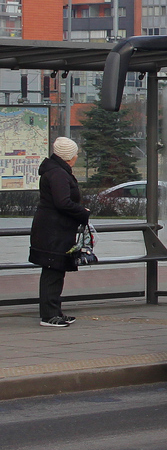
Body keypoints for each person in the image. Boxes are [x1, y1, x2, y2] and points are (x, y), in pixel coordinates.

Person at [29, 138, 90, 328]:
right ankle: (48, 315)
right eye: (75, 153)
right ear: (69, 156)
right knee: (52, 271)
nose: (77, 156)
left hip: (53, 229)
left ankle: (55, 311)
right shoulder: (57, 174)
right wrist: (83, 213)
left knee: (55, 271)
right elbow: (62, 202)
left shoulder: (56, 171)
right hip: (53, 231)